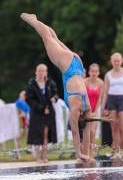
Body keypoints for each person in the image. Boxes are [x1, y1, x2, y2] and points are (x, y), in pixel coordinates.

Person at [20, 13, 91, 162]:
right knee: (47, 38)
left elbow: (87, 130)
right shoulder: (75, 110)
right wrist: (79, 153)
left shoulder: (87, 107)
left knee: (54, 39)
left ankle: (34, 20)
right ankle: (30, 19)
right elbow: (76, 134)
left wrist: (87, 154)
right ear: (78, 119)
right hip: (68, 67)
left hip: (78, 64)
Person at [102, 52, 123, 159]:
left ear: (121, 61)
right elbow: (105, 91)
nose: (116, 62)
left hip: (122, 99)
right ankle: (118, 152)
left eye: (118, 60)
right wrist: (103, 106)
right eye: (114, 61)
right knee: (114, 127)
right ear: (111, 62)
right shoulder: (108, 75)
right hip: (111, 99)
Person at [26, 64, 58, 163]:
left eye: (43, 71)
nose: (41, 72)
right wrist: (41, 108)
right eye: (39, 70)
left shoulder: (50, 83)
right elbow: (29, 99)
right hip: (37, 113)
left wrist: (55, 98)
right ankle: (38, 157)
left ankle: (44, 156)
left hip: (48, 112)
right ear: (36, 72)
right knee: (37, 135)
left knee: (45, 134)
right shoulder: (31, 84)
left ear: (46, 72)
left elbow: (55, 93)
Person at [84, 64, 104, 162]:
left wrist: (95, 111)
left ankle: (91, 156)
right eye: (92, 71)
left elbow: (100, 99)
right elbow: (84, 97)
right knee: (86, 133)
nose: (94, 73)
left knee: (93, 132)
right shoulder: (84, 82)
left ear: (98, 72)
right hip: (86, 109)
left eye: (96, 71)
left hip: (95, 110)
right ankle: (85, 154)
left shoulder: (101, 83)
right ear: (89, 72)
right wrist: (88, 111)